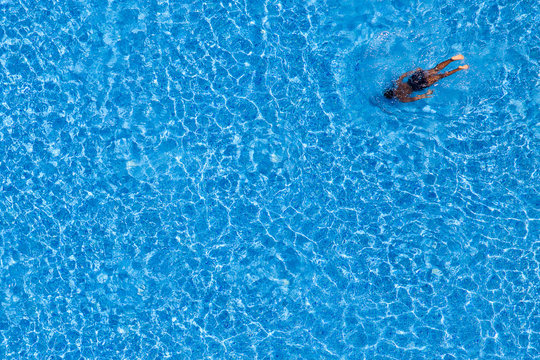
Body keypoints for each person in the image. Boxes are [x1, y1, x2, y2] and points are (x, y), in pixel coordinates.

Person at [384, 54, 469, 102]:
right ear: (392, 90)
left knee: (442, 76)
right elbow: (402, 76)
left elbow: (417, 97)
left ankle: (459, 68)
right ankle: (451, 59)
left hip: (418, 86)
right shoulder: (397, 84)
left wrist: (426, 94)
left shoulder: (402, 98)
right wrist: (414, 71)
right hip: (414, 79)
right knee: (435, 69)